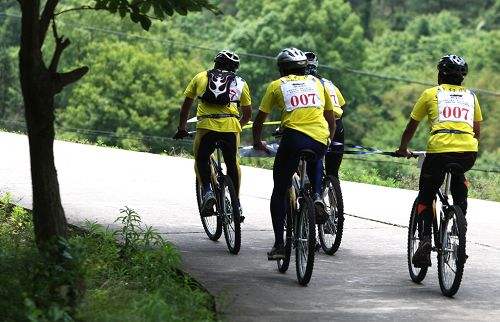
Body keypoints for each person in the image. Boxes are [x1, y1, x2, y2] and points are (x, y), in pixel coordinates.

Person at [252, 47, 343, 259]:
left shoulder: (276, 86)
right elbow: (330, 117)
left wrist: (258, 143)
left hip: (293, 139)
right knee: (316, 160)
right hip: (319, 138)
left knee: (279, 189)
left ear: (281, 69)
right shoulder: (318, 84)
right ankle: (317, 197)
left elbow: (259, 121)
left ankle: (280, 245)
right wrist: (328, 139)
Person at [395, 54, 483, 267]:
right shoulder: (471, 96)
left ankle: (425, 240)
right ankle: (458, 229)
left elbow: (411, 126)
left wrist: (403, 149)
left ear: (440, 74)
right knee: (459, 180)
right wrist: (465, 146)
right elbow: (477, 130)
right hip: (468, 152)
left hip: (439, 151)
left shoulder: (430, 94)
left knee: (426, 195)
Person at [173, 50, 252, 216]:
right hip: (230, 126)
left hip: (206, 126)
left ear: (215, 62)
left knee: (201, 159)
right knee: (232, 164)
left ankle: (208, 191)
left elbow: (186, 106)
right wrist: (238, 125)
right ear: (234, 68)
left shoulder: (200, 77)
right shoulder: (240, 82)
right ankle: (236, 203)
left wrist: (182, 128)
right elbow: (248, 113)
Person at [305, 51, 347, 178]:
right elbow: (342, 104)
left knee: (309, 160)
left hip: (320, 123)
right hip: (338, 124)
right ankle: (333, 191)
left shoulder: (306, 83)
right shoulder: (329, 83)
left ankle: (313, 190)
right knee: (332, 173)